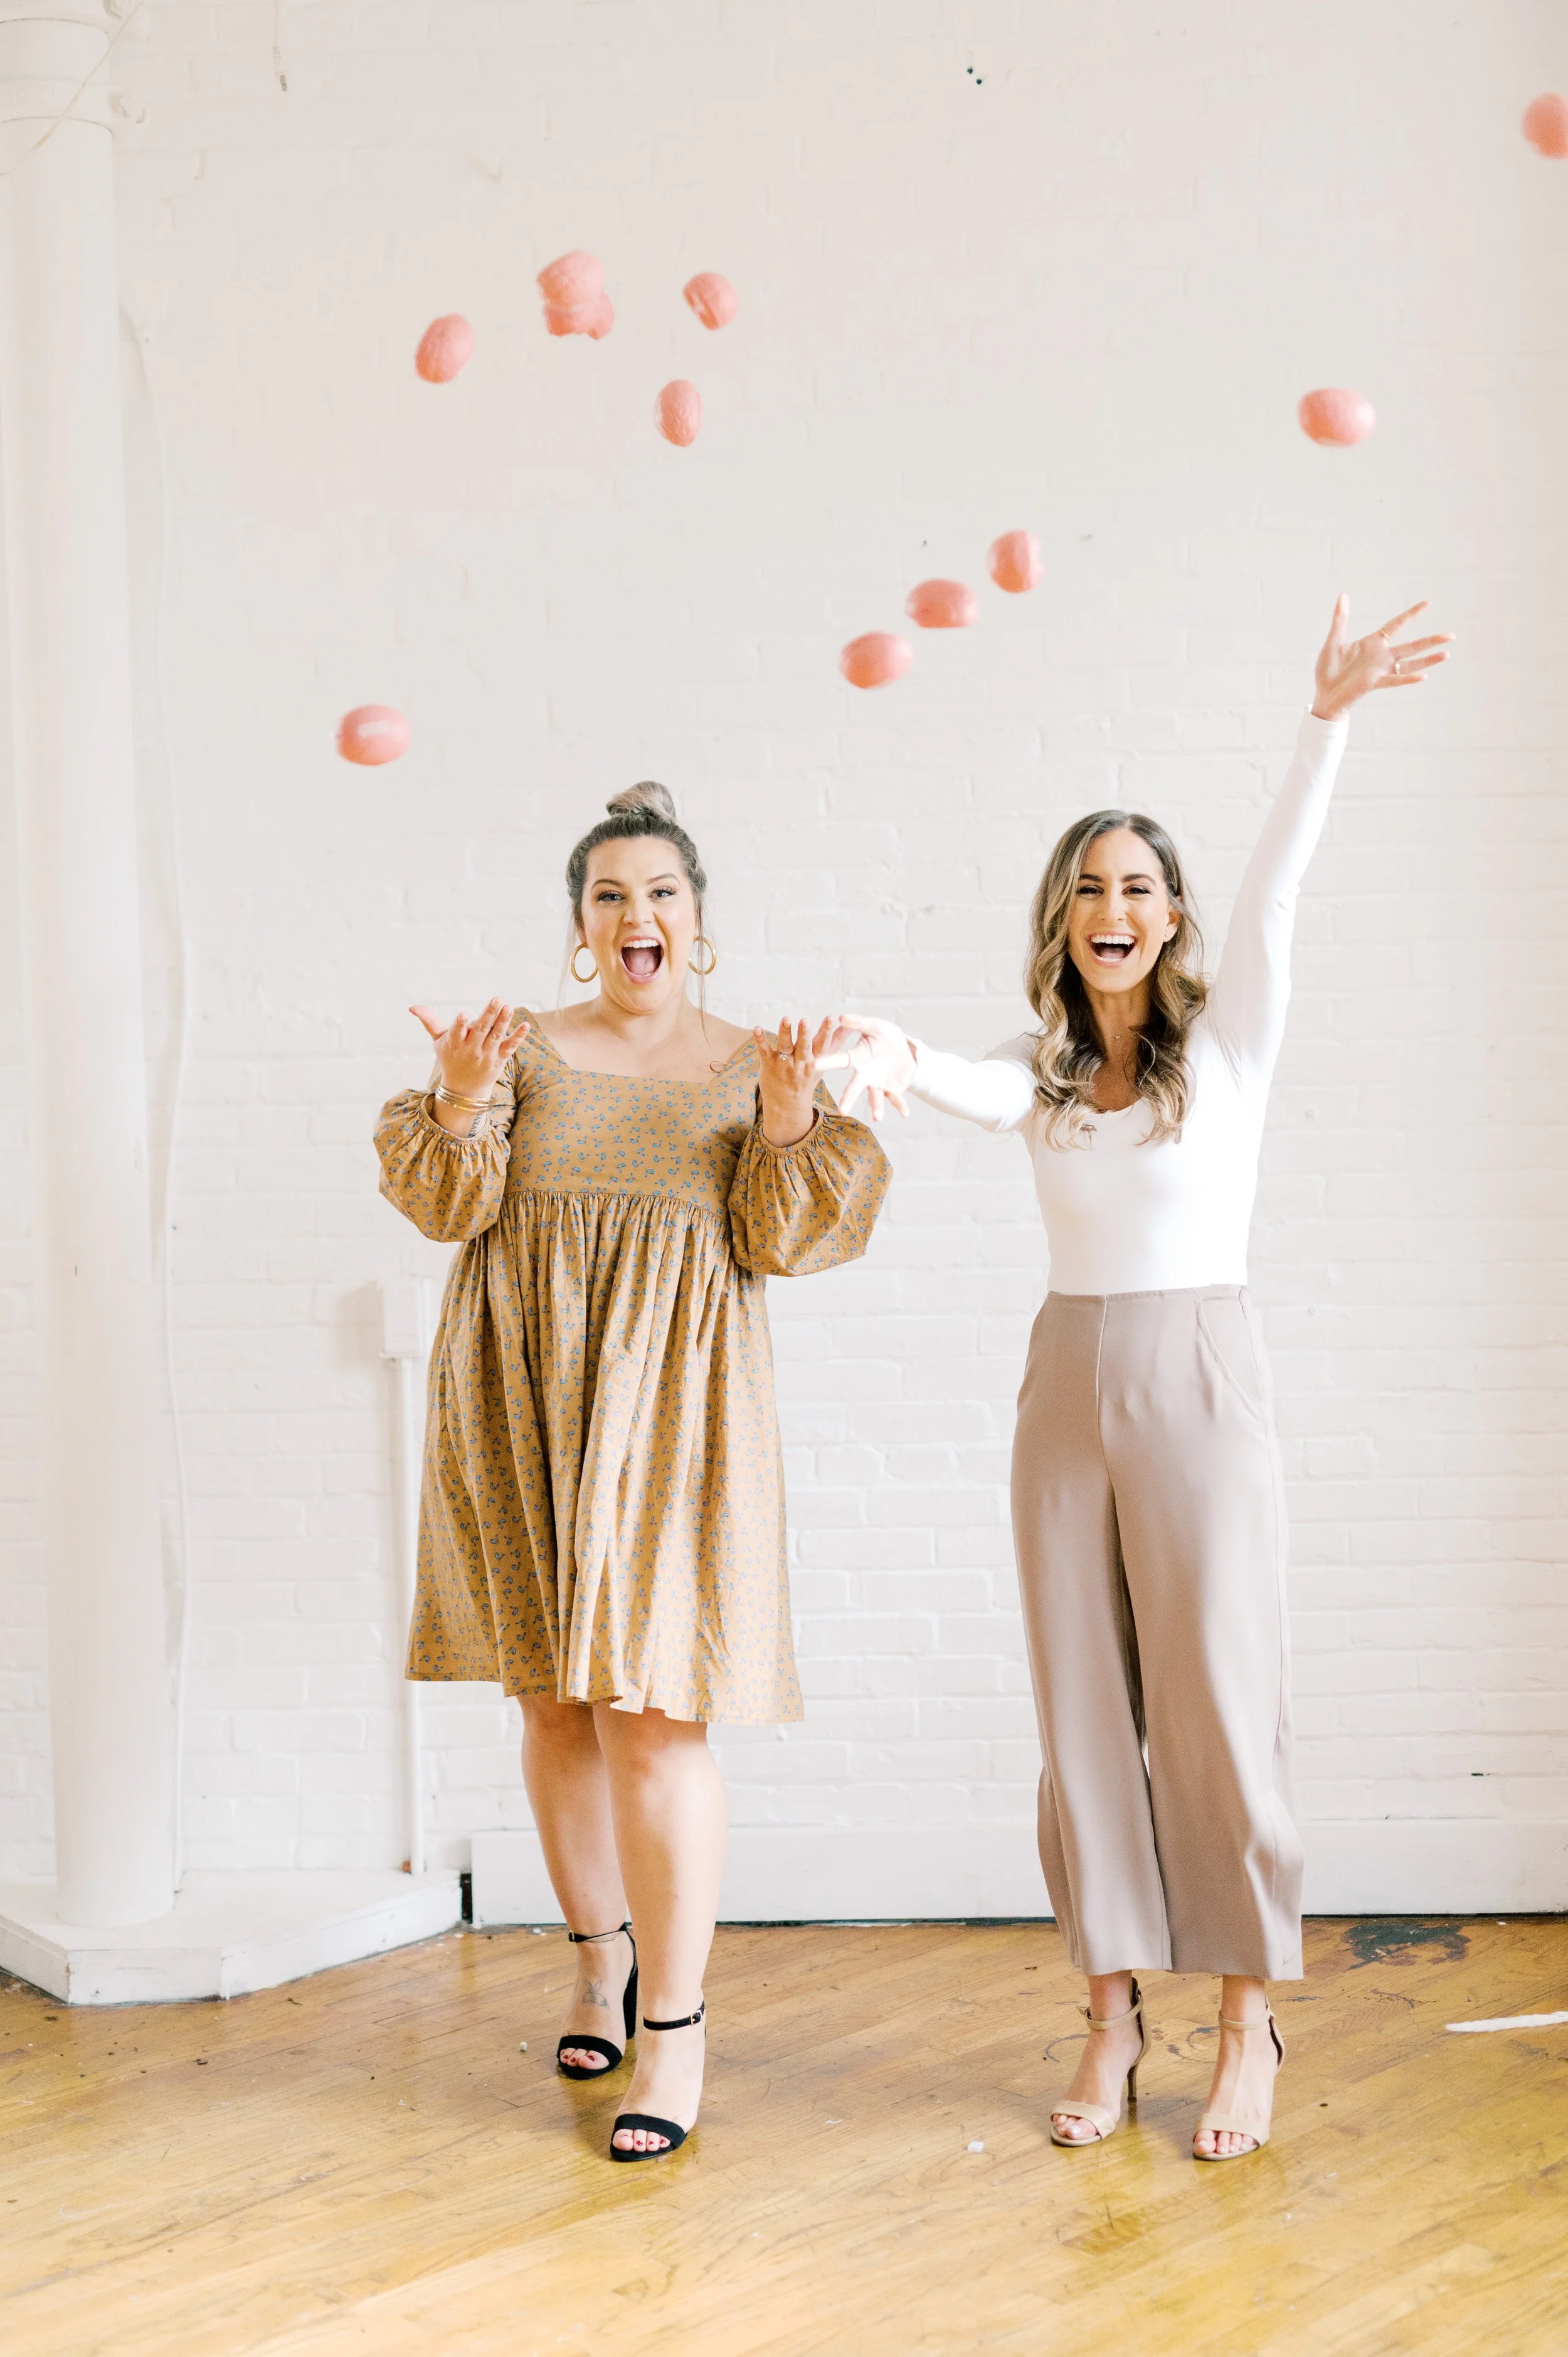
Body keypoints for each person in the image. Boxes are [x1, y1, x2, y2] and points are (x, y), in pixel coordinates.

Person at [830, 596, 1452, 2160]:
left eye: (1138, 885)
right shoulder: (1042, 1077)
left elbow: (1280, 894)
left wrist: (1325, 721)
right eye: (1088, 887)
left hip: (1195, 1372)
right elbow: (951, 1084)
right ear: (1064, 919)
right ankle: (1110, 2017)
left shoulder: (1228, 1049)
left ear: (1168, 916)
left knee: (1219, 1709)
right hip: (1065, 1383)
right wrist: (878, 1057)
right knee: (1083, 1719)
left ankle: (1246, 2019)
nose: (1115, 905)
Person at [374, 780, 891, 2163]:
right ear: (579, 926)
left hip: (677, 1420)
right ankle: (595, 1959)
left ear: (697, 921)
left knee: (656, 1716)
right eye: (609, 896)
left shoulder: (750, 1064)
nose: (635, 915)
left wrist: (786, 1124)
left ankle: (676, 2027)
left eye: (659, 893)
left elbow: (788, 1242)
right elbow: (447, 1207)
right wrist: (463, 1097)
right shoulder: (518, 1053)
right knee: (550, 1700)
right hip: (518, 1397)